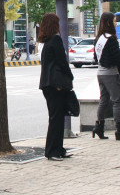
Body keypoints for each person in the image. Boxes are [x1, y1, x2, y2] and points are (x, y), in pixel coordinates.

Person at [37, 12, 74, 161]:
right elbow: (62, 61)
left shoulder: (45, 43)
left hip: (47, 84)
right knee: (56, 119)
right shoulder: (56, 40)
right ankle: (52, 151)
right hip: (56, 85)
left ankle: (58, 149)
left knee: (56, 118)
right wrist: (70, 76)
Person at [92, 12, 120, 141]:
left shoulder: (98, 39)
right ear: (109, 22)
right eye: (114, 21)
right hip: (111, 73)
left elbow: (96, 58)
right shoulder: (111, 39)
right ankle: (118, 130)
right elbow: (118, 58)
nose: (116, 23)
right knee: (117, 101)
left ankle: (99, 126)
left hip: (100, 73)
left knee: (104, 100)